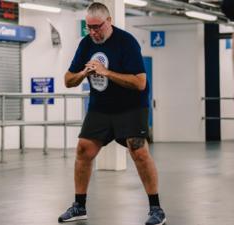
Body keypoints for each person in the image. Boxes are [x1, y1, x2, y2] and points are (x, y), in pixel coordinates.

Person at [58, 3, 166, 225]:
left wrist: (107, 72)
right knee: (83, 149)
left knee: (138, 150)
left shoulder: (126, 42)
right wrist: (84, 73)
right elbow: (68, 80)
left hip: (131, 106)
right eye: (89, 27)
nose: (93, 32)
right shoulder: (86, 44)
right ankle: (79, 205)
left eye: (97, 27)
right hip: (101, 106)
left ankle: (156, 209)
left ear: (109, 22)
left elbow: (140, 82)